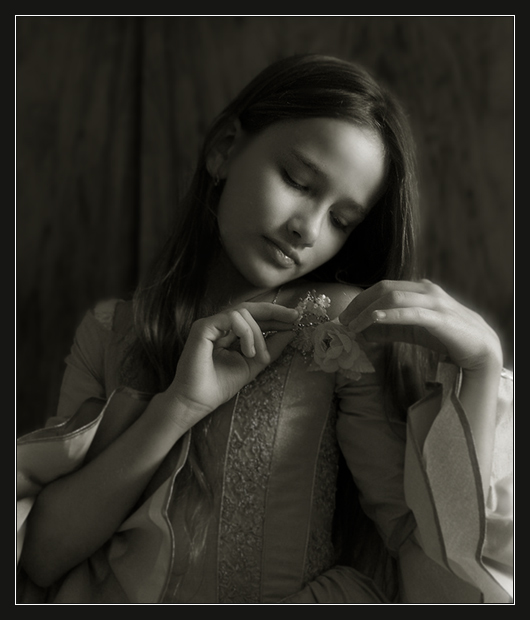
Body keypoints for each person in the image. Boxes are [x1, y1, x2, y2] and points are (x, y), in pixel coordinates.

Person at [16, 54, 513, 604]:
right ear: (225, 148)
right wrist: (178, 406)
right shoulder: (113, 331)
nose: (307, 229)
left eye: (342, 220)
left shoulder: (335, 324)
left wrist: (482, 367)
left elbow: (419, 540)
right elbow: (41, 559)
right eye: (297, 181)